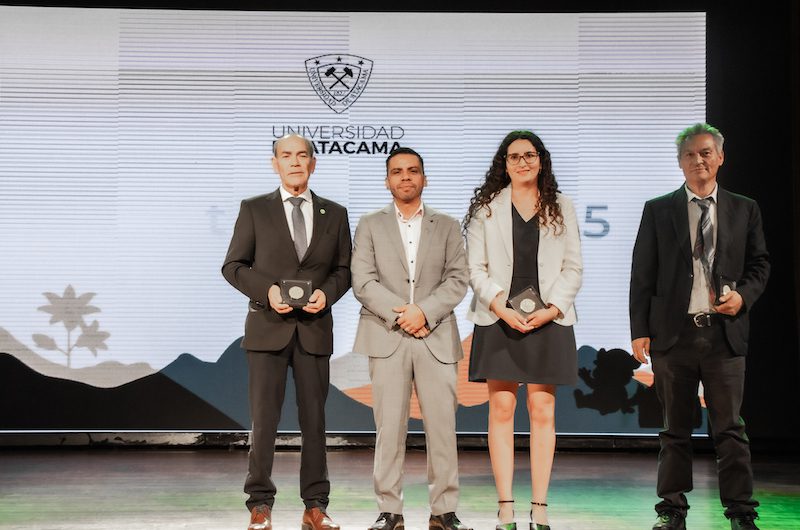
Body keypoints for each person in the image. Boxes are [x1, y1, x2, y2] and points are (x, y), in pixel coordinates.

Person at [629, 123, 770, 530]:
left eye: (706, 152)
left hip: (724, 334)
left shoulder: (744, 208)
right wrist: (639, 329)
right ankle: (671, 510)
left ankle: (741, 512)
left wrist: (743, 296)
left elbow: (760, 264)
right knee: (674, 430)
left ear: (720, 157)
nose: (698, 160)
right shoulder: (659, 209)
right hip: (673, 336)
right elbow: (642, 273)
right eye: (689, 154)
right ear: (680, 163)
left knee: (730, 429)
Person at [222, 134, 352, 530]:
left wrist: (327, 295)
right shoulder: (254, 209)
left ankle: (315, 506)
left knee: (315, 422)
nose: (295, 162)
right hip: (267, 329)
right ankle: (260, 504)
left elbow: (344, 270)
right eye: (286, 155)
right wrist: (267, 292)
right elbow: (233, 266)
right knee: (264, 422)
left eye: (302, 155)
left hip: (314, 330)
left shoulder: (335, 213)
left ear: (313, 163)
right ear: (274, 163)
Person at [463, 130, 583, 530]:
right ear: (505, 164)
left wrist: (552, 310)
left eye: (529, 155)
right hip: (499, 317)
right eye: (514, 157)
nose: (522, 162)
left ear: (541, 160)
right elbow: (475, 269)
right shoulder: (487, 209)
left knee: (542, 409)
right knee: (501, 408)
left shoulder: (562, 206)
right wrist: (500, 306)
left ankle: (540, 507)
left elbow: (573, 267)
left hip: (549, 318)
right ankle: (505, 507)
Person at [351, 147, 472, 530]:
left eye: (413, 170)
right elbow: (362, 280)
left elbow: (458, 278)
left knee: (442, 430)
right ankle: (390, 510)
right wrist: (404, 313)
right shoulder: (369, 224)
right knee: (389, 430)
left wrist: (425, 312)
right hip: (387, 335)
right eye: (397, 171)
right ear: (387, 180)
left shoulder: (448, 225)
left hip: (436, 337)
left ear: (424, 178)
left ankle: (444, 510)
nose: (405, 177)